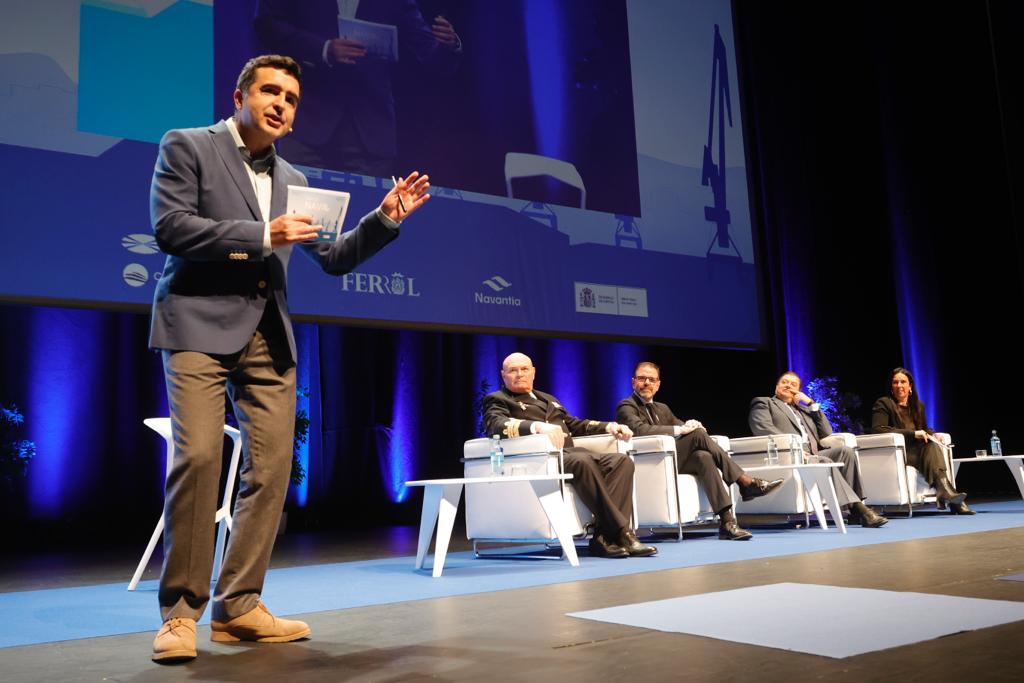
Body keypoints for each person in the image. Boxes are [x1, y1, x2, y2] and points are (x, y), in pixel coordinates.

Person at [148, 54, 431, 663]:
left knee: (273, 469)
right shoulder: (188, 146)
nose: (281, 104)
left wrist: (383, 221)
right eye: (270, 91)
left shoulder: (295, 180)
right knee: (198, 457)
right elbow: (170, 228)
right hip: (196, 323)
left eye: (292, 98)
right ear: (240, 95)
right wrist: (259, 237)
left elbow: (333, 257)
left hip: (266, 335)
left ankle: (240, 606)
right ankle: (179, 613)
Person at [254, 0, 462, 177]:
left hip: (370, 130)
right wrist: (323, 49)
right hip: (309, 123)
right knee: (297, 213)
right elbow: (266, 23)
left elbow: (432, 55)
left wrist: (449, 45)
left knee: (367, 217)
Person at [483, 352, 657, 559]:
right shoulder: (497, 399)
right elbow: (496, 425)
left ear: (533, 372)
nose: (519, 374)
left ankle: (602, 540)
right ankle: (624, 534)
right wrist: (536, 426)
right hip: (543, 458)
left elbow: (574, 424)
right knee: (582, 460)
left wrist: (609, 426)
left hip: (571, 454)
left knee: (621, 461)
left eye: (524, 369)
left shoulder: (548, 398)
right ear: (503, 375)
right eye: (513, 370)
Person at [616, 362, 784, 540]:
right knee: (697, 436)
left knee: (703, 456)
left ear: (658, 385)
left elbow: (680, 425)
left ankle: (727, 522)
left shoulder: (662, 408)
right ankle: (744, 481)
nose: (646, 383)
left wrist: (691, 424)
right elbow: (639, 430)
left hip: (671, 459)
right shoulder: (626, 406)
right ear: (634, 382)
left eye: (652, 379)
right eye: (642, 378)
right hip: (650, 462)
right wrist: (682, 430)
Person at [749, 371, 889, 528]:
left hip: (813, 453)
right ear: (776, 386)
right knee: (824, 461)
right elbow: (762, 428)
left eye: (793, 384)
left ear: (799, 392)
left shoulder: (805, 410)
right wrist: (795, 448)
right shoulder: (764, 403)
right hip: (792, 455)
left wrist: (810, 403)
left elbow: (826, 432)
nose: (788, 385)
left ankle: (855, 511)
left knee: (845, 452)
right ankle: (859, 510)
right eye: (784, 382)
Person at [871, 367, 972, 514]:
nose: (899, 385)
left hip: (920, 451)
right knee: (930, 449)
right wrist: (913, 434)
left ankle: (947, 494)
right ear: (891, 386)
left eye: (903, 382)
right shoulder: (884, 403)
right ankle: (953, 500)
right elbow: (878, 429)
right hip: (899, 453)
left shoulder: (917, 406)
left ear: (910, 386)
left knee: (931, 445)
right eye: (895, 382)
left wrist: (933, 434)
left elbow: (922, 428)